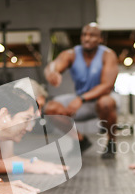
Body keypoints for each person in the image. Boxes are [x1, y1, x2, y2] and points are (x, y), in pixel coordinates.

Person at [44, 22, 119, 159]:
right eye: (84, 35)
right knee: (51, 108)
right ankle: (80, 140)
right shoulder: (71, 54)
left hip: (104, 98)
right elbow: (55, 64)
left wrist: (81, 99)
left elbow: (107, 85)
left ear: (100, 39)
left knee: (105, 102)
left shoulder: (108, 55)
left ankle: (111, 141)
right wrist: (52, 72)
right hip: (82, 100)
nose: (87, 38)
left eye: (92, 35)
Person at [0, 79, 67, 175]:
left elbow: (8, 158)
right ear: (21, 99)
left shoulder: (9, 115)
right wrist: (29, 167)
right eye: (36, 106)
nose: (39, 114)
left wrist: (36, 164)